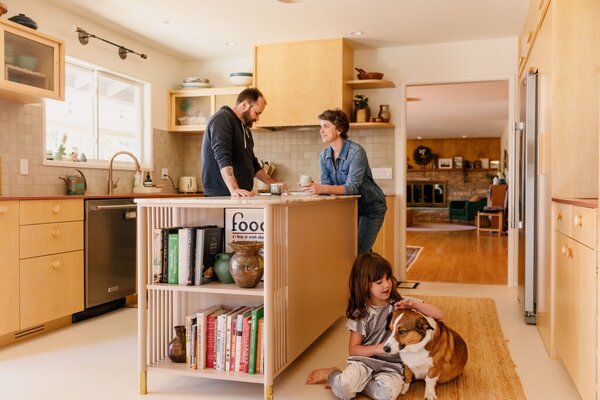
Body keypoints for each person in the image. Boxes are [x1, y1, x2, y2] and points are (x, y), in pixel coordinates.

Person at [306, 252, 443, 400]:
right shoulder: (361, 314)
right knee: (343, 388)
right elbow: (353, 350)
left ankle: (357, 384)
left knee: (387, 395)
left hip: (393, 367)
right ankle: (333, 374)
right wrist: (380, 348)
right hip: (363, 363)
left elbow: (439, 315)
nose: (386, 284)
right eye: (379, 282)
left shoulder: (400, 304)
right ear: (364, 285)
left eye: (388, 278)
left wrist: (414, 304)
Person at [301, 109, 387, 254]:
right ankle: (373, 276)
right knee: (355, 251)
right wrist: (313, 188)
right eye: (320, 126)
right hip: (349, 209)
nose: (321, 131)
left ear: (340, 129)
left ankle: (379, 276)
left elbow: (352, 187)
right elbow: (327, 187)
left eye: (326, 126)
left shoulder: (356, 152)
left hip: (371, 208)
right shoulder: (324, 155)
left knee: (358, 251)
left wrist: (322, 188)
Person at [201, 88, 276, 197]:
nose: (257, 118)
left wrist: (275, 184)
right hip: (222, 196)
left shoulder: (245, 130)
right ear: (245, 104)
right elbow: (222, 156)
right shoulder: (223, 119)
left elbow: (254, 165)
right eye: (256, 113)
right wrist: (234, 189)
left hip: (239, 195)